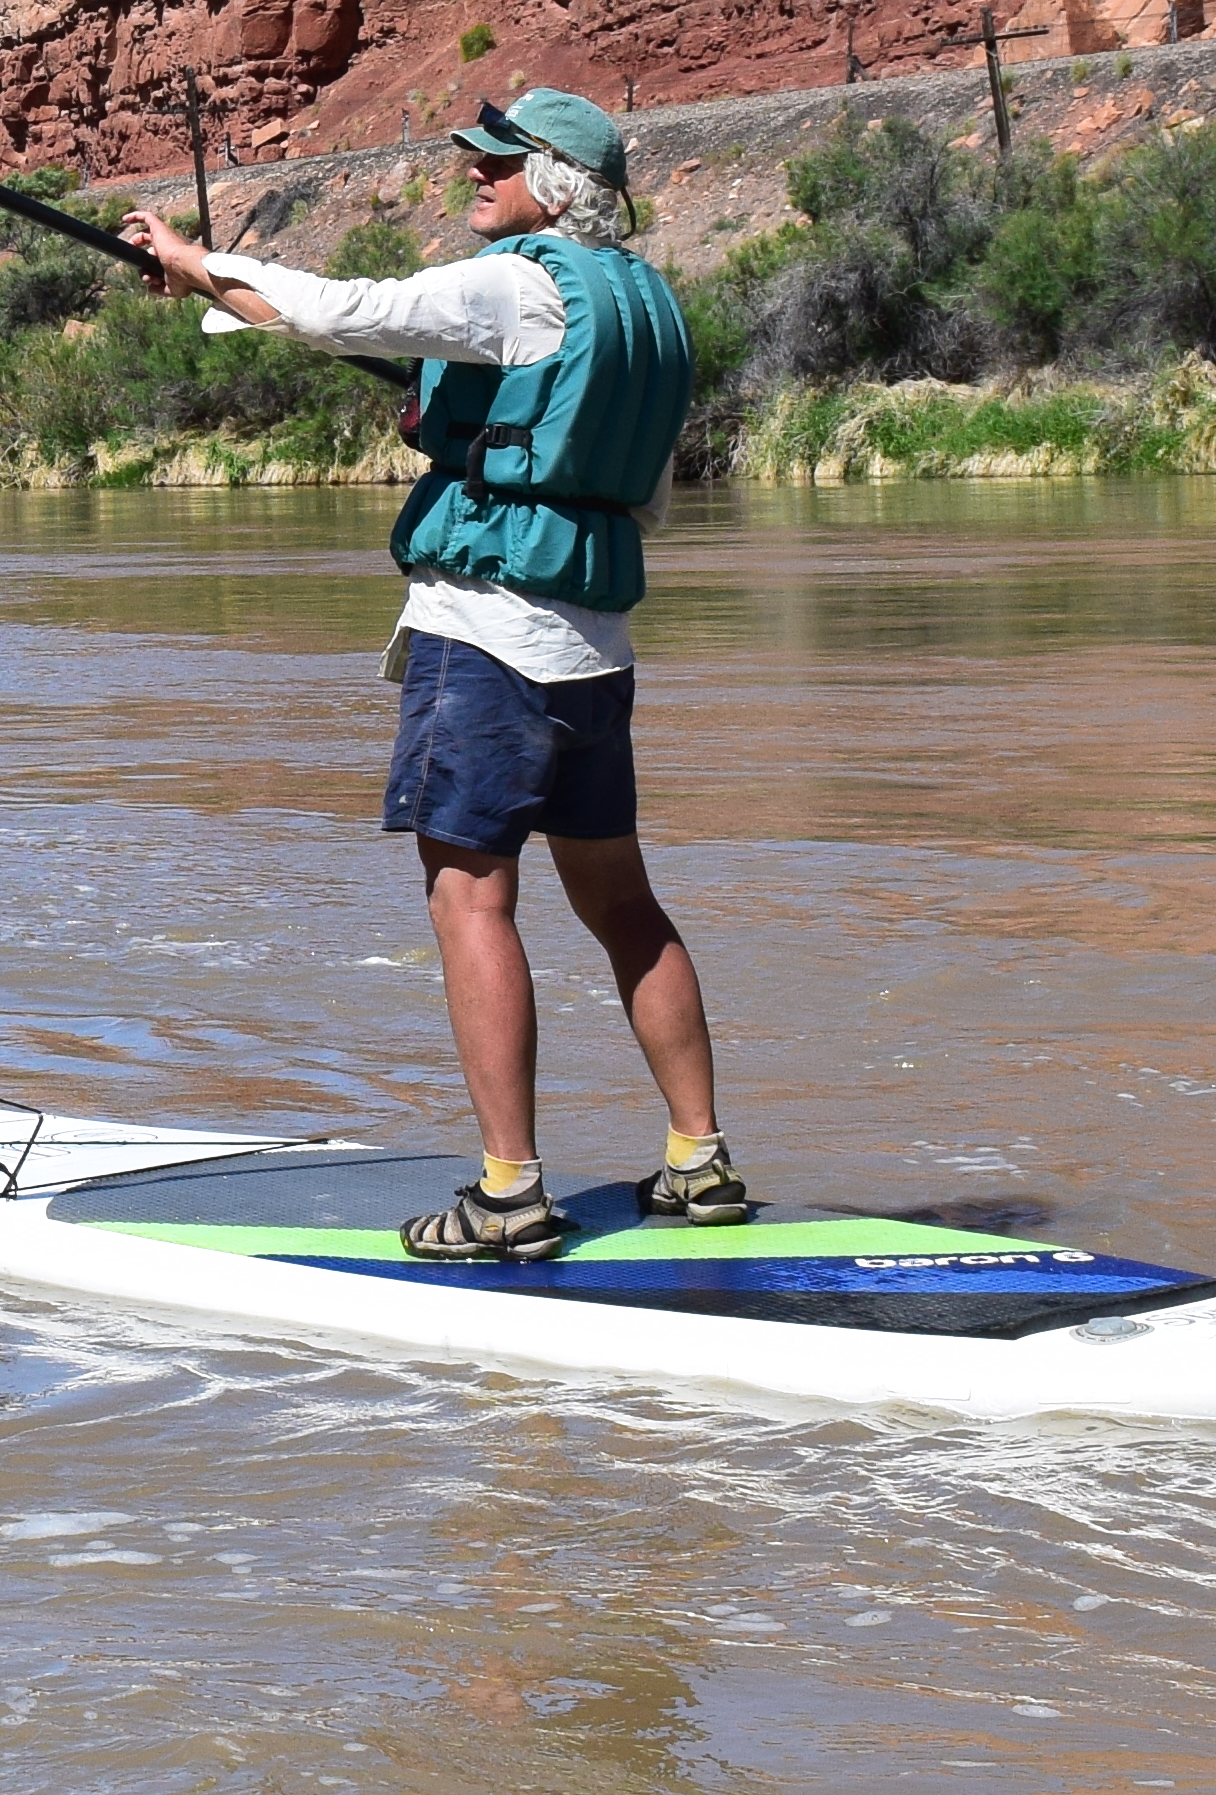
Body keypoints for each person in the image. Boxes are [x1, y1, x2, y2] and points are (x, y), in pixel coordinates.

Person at [119, 87, 749, 1263]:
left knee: (471, 900)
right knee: (623, 906)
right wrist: (466, 427)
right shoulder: (653, 307)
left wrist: (194, 259)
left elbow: (336, 310)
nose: (477, 177)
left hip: (487, 641)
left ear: (554, 182)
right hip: (594, 650)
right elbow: (629, 483)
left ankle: (509, 1194)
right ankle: (699, 1161)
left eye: (498, 164)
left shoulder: (518, 280)